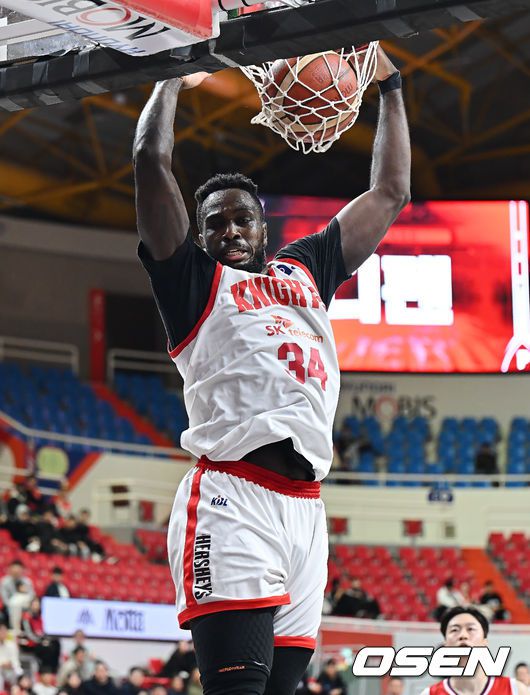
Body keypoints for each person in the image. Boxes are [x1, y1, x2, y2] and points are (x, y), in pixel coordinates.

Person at [133, 41, 410, 695]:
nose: (230, 230)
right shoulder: (192, 283)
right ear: (200, 237)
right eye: (215, 224)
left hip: (305, 510)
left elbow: (391, 191)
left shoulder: (306, 268)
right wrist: (171, 80)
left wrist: (391, 84)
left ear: (264, 228)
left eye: (242, 220)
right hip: (234, 499)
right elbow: (149, 159)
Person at [419, 606, 529, 695]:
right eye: (454, 630)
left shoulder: (516, 690)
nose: (463, 635)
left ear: (484, 641)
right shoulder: (429, 693)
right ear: (445, 644)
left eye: (470, 629)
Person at [19, 598, 61, 671]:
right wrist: (41, 641)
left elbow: (42, 632)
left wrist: (46, 640)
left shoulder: (39, 618)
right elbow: (29, 634)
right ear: (30, 605)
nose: (36, 607)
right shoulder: (26, 617)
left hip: (39, 642)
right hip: (29, 643)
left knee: (55, 644)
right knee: (46, 649)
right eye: (35, 604)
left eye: (38, 605)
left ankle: (54, 670)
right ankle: (44, 670)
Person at [0, 561, 35, 629]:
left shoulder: (27, 582)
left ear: (22, 570)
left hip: (25, 606)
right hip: (9, 607)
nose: (16, 572)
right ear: (10, 570)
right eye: (14, 570)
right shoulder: (4, 582)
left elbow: (32, 596)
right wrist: (13, 606)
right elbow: (5, 599)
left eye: (18, 570)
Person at [0, 623, 23, 691]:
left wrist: (12, 665)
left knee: (19, 673)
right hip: (1, 669)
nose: (4, 633)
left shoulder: (12, 645)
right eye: (2, 631)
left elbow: (15, 661)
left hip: (10, 670)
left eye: (5, 631)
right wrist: (2, 664)